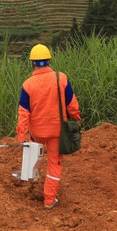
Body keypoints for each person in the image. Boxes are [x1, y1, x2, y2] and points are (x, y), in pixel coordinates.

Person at [16, 43, 80, 209]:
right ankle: (49, 200)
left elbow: (23, 112)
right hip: (57, 132)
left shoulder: (28, 85)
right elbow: (72, 104)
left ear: (33, 63)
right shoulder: (61, 79)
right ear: (49, 61)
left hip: (37, 132)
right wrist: (76, 119)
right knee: (54, 164)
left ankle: (30, 189)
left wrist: (21, 136)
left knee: (33, 160)